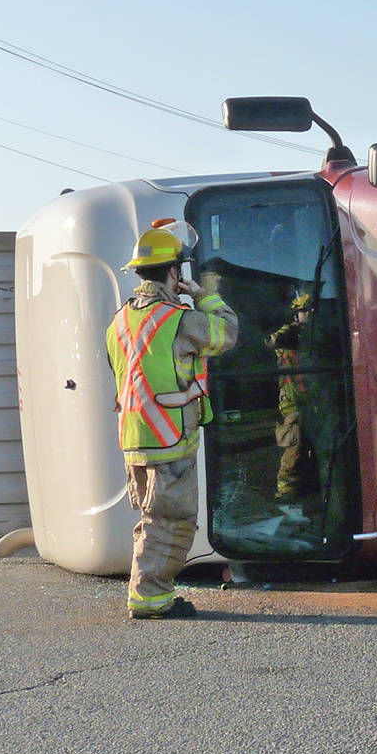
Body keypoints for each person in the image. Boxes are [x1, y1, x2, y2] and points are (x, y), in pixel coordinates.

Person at [105, 218, 238, 619]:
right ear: (173, 272)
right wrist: (205, 297)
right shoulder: (177, 318)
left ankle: (150, 593)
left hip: (134, 435)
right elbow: (227, 334)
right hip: (168, 438)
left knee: (153, 518)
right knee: (172, 521)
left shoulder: (119, 321)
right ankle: (151, 598)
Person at [267, 293, 315, 514]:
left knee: (315, 448)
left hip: (314, 403)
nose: (311, 315)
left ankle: (309, 487)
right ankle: (285, 492)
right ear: (296, 315)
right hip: (291, 405)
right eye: (307, 311)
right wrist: (295, 331)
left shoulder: (316, 337)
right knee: (293, 450)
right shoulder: (287, 337)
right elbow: (272, 341)